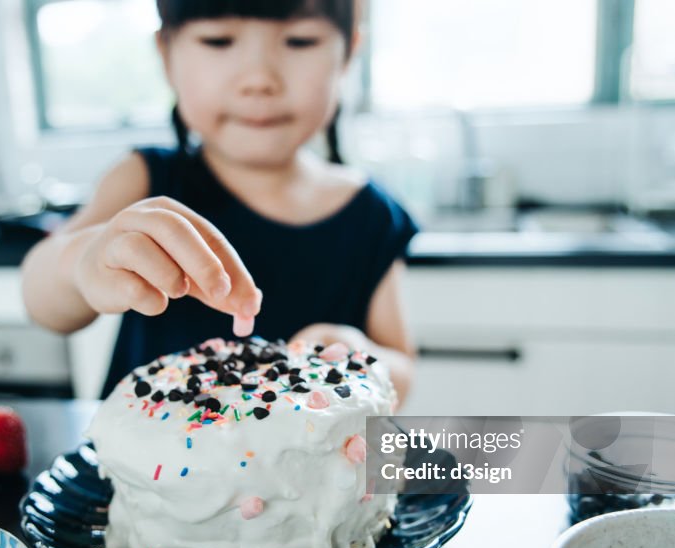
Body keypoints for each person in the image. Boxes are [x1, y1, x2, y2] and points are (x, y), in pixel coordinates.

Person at [22, 0, 417, 403]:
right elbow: (40, 300)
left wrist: (358, 355)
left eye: (300, 41)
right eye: (218, 40)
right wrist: (82, 262)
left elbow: (402, 368)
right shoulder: (144, 179)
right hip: (139, 466)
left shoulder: (371, 215)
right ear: (166, 53)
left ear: (349, 52)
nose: (260, 79)